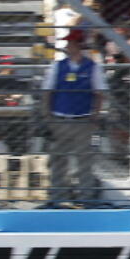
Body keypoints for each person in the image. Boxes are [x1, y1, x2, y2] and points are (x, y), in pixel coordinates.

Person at [40, 29, 105, 207]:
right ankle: (58, 197)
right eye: (68, 43)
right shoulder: (57, 66)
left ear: (79, 45)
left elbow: (99, 93)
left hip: (83, 120)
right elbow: (47, 91)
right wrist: (48, 117)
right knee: (58, 161)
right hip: (60, 119)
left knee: (85, 162)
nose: (68, 46)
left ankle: (86, 198)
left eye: (72, 43)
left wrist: (95, 116)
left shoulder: (92, 67)